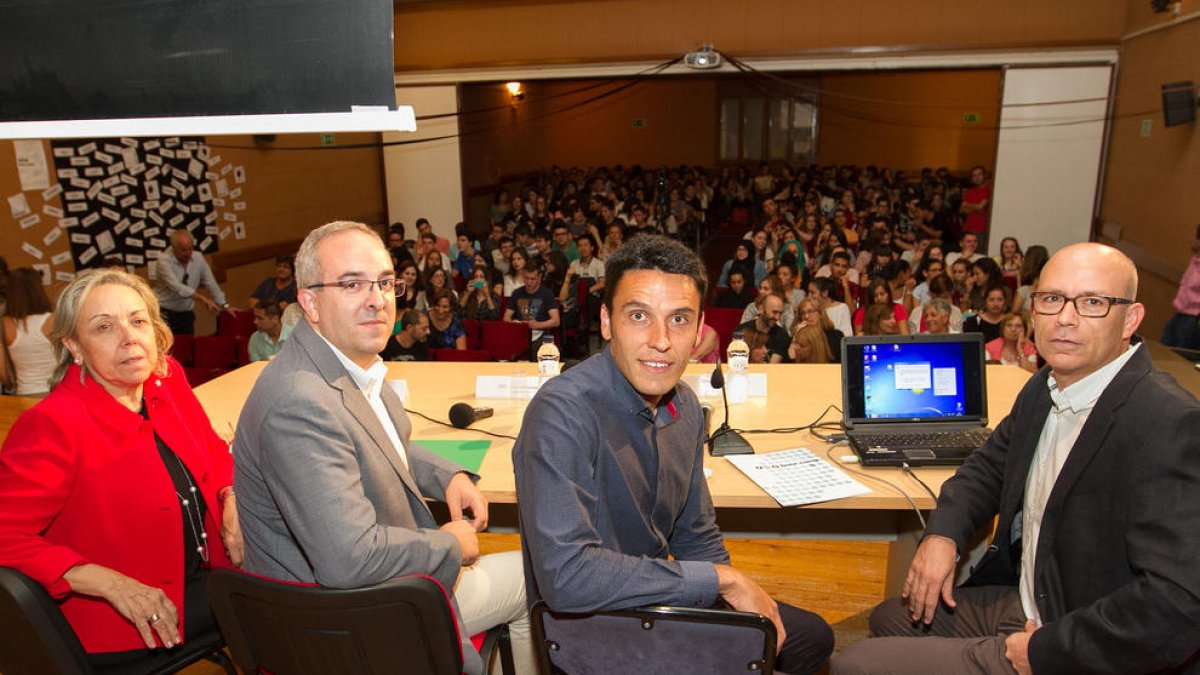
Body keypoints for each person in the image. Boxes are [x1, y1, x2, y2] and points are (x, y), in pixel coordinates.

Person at [833, 243, 1200, 675]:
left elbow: (1179, 604)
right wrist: (943, 536)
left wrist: (1046, 651)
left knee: (857, 663)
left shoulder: (1168, 423)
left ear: (1131, 319)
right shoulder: (1047, 385)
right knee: (890, 617)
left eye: (1093, 303)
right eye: (1051, 299)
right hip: (1036, 594)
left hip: (1077, 636)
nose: (1065, 317)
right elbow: (987, 468)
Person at [513, 234, 833, 675]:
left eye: (679, 320)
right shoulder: (561, 413)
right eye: (639, 316)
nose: (661, 341)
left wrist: (728, 606)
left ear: (700, 330)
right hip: (586, 623)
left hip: (648, 598)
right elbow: (568, 577)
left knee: (810, 638)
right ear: (606, 322)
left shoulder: (684, 407)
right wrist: (722, 581)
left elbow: (695, 534)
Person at [232, 222, 530, 675]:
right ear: (309, 302)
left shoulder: (351, 366)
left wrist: (447, 475)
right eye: (352, 284)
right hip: (344, 619)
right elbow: (348, 560)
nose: (377, 299)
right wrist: (446, 543)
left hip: (371, 589)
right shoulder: (299, 401)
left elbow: (383, 446)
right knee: (537, 580)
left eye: (386, 282)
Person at [0, 269, 240, 670]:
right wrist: (109, 583)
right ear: (74, 346)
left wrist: (228, 496)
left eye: (138, 320)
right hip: (130, 616)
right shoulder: (53, 424)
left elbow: (213, 452)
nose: (128, 336)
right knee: (289, 596)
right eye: (104, 327)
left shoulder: (167, 380)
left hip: (204, 572)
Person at [152, 229, 238, 334]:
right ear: (174, 248)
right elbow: (177, 287)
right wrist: (202, 298)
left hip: (186, 314)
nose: (188, 253)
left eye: (190, 249)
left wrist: (225, 305)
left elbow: (211, 282)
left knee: (188, 347)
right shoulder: (163, 260)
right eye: (183, 250)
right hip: (164, 313)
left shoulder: (198, 257)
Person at [1, 268, 56, 395]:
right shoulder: (53, 320)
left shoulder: (5, 324)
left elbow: (2, 371)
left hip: (25, 393)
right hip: (58, 392)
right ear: (38, 290)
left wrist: (10, 386)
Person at [1161, 224, 1200, 362]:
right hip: (1179, 315)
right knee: (1163, 354)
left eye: (1194, 236)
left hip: (1193, 321)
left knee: (1180, 360)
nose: (1191, 240)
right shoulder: (1194, 260)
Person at [503, 262, 560, 345]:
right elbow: (506, 317)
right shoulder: (517, 293)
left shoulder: (547, 294)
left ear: (539, 278)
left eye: (533, 279)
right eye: (526, 278)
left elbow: (556, 321)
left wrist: (537, 325)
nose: (529, 282)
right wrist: (513, 323)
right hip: (520, 332)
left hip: (540, 333)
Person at [739, 293, 791, 364]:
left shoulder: (782, 336)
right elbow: (737, 361)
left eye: (780, 313)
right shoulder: (742, 331)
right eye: (774, 312)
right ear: (761, 309)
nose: (777, 318)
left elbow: (771, 368)